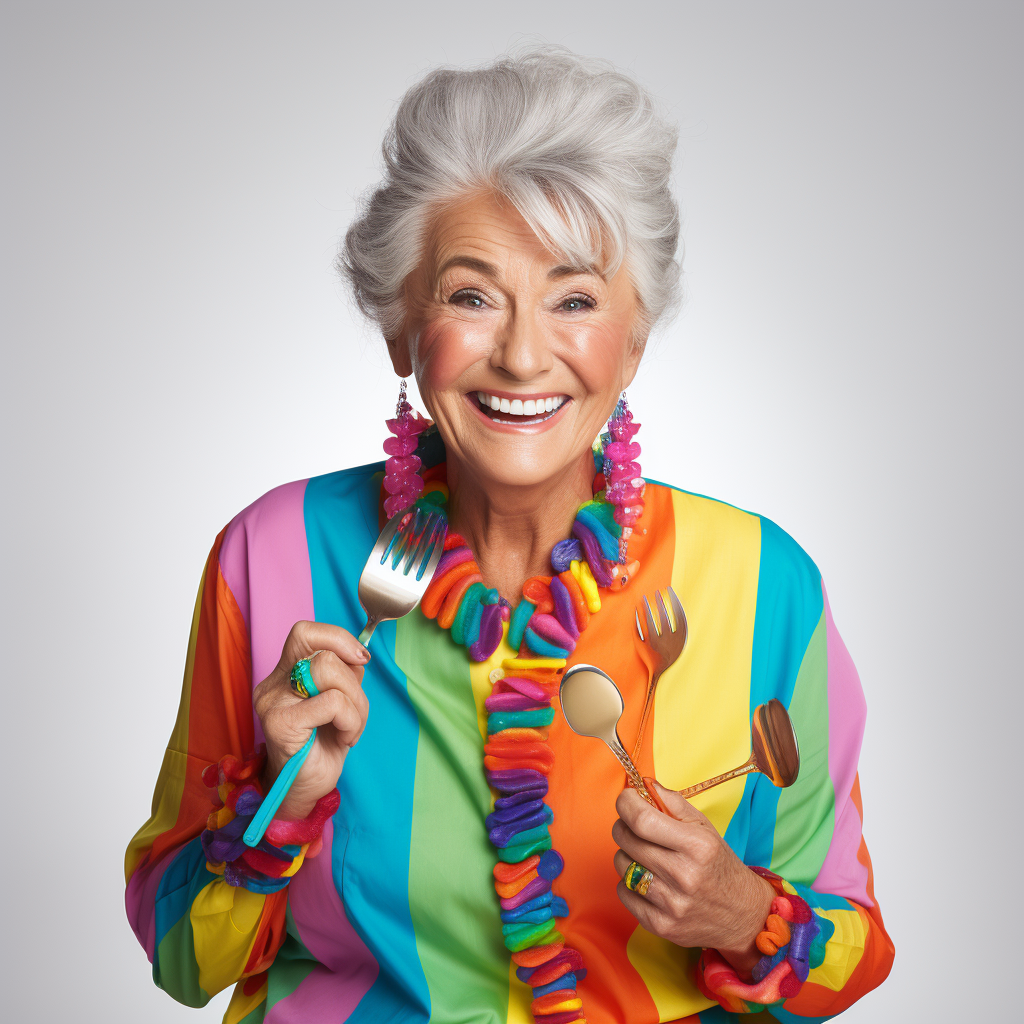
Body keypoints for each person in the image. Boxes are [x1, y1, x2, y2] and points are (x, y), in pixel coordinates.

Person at [124, 45, 894, 1023]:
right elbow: (182, 956)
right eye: (470, 295)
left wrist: (748, 915)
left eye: (574, 300)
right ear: (405, 327)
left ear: (634, 338)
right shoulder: (275, 555)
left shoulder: (760, 582)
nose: (524, 354)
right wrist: (281, 794)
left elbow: (854, 956)